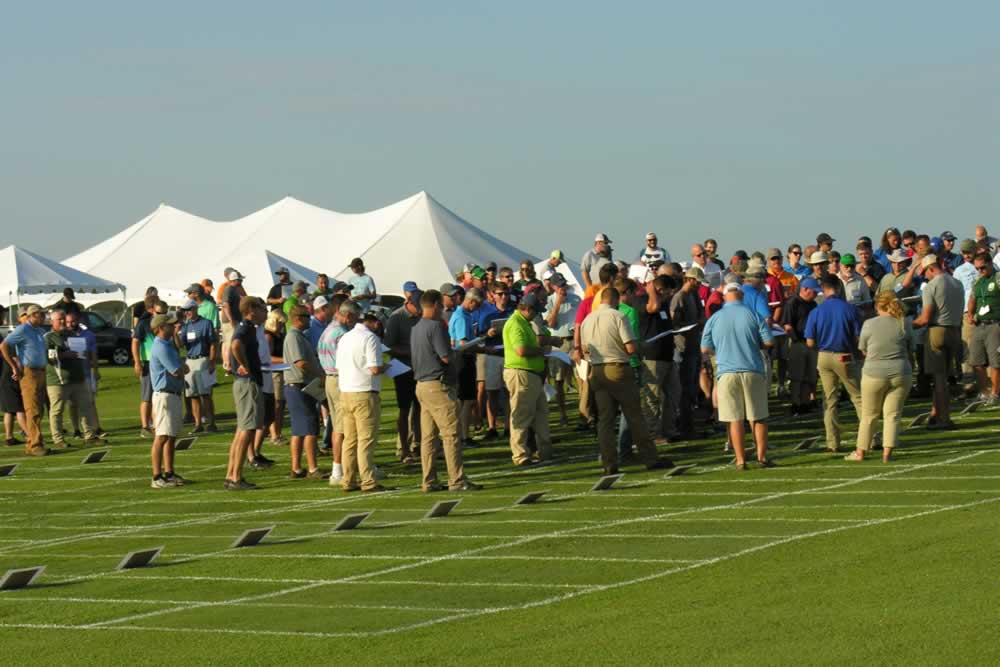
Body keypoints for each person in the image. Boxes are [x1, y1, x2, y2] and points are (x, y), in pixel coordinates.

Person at [581, 287, 672, 474]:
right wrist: (642, 346)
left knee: (605, 420)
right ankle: (650, 458)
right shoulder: (618, 316)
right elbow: (630, 348)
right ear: (615, 300)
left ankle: (609, 463)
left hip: (597, 370)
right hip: (619, 368)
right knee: (634, 415)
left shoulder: (587, 319)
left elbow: (584, 349)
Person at [410, 289, 482, 492]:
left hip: (422, 385)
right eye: (441, 306)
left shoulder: (416, 328)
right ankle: (457, 480)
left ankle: (429, 480)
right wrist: (454, 354)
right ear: (434, 305)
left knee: (428, 437)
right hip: (438, 385)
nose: (443, 309)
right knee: (451, 434)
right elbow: (445, 357)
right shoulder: (436, 326)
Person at [701, 281, 776, 469]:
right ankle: (761, 457)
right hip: (752, 370)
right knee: (758, 416)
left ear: (725, 296)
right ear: (741, 295)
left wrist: (721, 352)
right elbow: (769, 341)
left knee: (734, 419)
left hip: (726, 372)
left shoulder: (715, 318)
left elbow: (705, 348)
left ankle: (741, 460)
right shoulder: (753, 314)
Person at [845, 292, 913, 462]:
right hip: (901, 372)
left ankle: (860, 452)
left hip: (874, 373)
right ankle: (887, 453)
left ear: (878, 306)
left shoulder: (869, 323)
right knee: (893, 414)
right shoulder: (904, 323)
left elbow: (862, 347)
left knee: (869, 414)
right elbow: (911, 346)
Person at [805, 274, 863, 452]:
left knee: (829, 401)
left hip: (823, 356)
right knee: (858, 398)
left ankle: (833, 443)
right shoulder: (850, 309)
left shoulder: (816, 311)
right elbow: (858, 337)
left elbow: (810, 341)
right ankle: (870, 438)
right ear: (838, 287)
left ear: (823, 289)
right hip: (843, 355)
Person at [503, 291, 561, 466]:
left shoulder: (524, 322)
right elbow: (520, 350)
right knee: (521, 415)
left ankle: (544, 451)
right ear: (527, 309)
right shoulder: (515, 323)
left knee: (541, 413)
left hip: (531, 374)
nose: (538, 314)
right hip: (521, 373)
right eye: (536, 310)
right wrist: (543, 350)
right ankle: (520, 455)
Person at [337, 300, 389, 492]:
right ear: (375, 322)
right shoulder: (370, 338)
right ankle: (368, 480)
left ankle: (348, 480)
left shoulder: (345, 337)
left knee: (350, 440)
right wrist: (386, 367)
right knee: (365, 440)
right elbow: (374, 368)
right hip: (364, 392)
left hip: (346, 392)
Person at [910, 255, 964, 428]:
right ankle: (935, 414)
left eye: (925, 272)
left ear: (931, 268)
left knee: (939, 380)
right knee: (944, 377)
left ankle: (944, 419)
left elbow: (925, 318)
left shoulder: (931, 287)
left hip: (937, 331)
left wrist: (907, 323)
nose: (925, 276)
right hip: (955, 331)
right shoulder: (957, 283)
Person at [41, 309, 98, 448]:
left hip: (78, 377)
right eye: (59, 319)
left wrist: (82, 352)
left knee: (86, 406)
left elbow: (80, 351)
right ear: (51, 321)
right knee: (57, 411)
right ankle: (58, 439)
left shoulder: (72, 334)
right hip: (58, 380)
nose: (62, 322)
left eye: (63, 319)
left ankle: (89, 436)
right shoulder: (48, 337)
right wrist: (65, 354)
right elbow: (48, 356)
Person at [226, 296, 267, 491]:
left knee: (241, 430)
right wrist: (244, 365)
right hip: (247, 383)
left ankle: (231, 474)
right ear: (251, 309)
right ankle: (236, 477)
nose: (265, 312)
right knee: (247, 430)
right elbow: (235, 346)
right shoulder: (246, 328)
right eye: (262, 308)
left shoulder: (248, 327)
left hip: (244, 383)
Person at [282, 304, 325, 479]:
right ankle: (312, 468)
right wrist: (320, 375)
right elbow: (300, 362)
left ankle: (297, 468)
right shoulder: (294, 337)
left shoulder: (298, 336)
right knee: (309, 428)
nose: (310, 319)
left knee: (299, 430)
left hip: (297, 387)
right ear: (299, 318)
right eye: (307, 316)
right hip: (299, 386)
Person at [0, 306, 48, 456]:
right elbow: (4, 346)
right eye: (41, 315)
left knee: (39, 409)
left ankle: (32, 443)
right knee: (32, 409)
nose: (44, 318)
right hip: (29, 373)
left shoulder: (40, 331)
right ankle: (35, 444)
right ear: (33, 315)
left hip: (41, 371)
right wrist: (14, 366)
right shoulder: (22, 330)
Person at [147, 312, 188, 488]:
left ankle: (169, 472)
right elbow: (178, 370)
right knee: (162, 436)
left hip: (173, 393)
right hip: (165, 394)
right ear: (161, 328)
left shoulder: (167, 344)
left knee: (171, 436)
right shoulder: (161, 346)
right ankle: (157, 476)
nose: (174, 327)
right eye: (170, 325)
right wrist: (183, 368)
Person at [384, 290, 424, 461]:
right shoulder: (396, 318)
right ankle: (403, 448)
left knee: (420, 408)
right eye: (418, 306)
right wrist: (410, 353)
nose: (421, 310)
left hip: (420, 368)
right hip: (402, 369)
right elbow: (387, 346)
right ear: (409, 302)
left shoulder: (422, 316)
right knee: (404, 409)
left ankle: (418, 444)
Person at [671, 266, 706, 438]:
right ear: (690, 280)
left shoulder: (693, 295)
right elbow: (674, 324)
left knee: (691, 388)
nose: (699, 285)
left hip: (693, 345)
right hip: (683, 347)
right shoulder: (679, 297)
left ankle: (689, 424)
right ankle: (684, 426)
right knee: (685, 388)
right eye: (697, 282)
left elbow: (701, 313)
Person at [317, 294, 349, 484]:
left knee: (338, 425)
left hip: (330, 378)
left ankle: (339, 468)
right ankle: (339, 468)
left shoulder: (328, 329)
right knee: (343, 426)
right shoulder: (341, 332)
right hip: (339, 379)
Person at [543, 272, 580, 426]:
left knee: (581, 379)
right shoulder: (548, 301)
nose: (562, 288)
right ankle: (563, 414)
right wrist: (558, 302)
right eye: (559, 285)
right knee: (559, 380)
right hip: (558, 343)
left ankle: (584, 413)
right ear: (552, 286)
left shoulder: (576, 299)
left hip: (574, 341)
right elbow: (550, 323)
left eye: (563, 284)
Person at [176, 299, 217, 434]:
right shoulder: (186, 326)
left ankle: (211, 423)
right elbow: (181, 345)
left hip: (203, 360)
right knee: (192, 395)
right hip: (190, 361)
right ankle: (198, 423)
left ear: (195, 309)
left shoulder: (206, 323)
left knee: (205, 394)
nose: (187, 313)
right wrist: (175, 333)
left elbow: (213, 343)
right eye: (185, 310)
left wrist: (211, 361)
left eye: (189, 310)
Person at [450, 288, 484, 445]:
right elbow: (463, 343)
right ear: (471, 302)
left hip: (461, 360)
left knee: (463, 400)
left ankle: (462, 434)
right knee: (467, 400)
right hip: (464, 360)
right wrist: (480, 341)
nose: (477, 309)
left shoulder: (460, 315)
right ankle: (464, 435)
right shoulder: (462, 317)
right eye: (477, 305)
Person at [781, 277, 820, 414]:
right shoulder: (792, 303)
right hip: (798, 343)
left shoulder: (813, 305)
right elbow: (787, 325)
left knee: (810, 376)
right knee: (797, 376)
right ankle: (795, 403)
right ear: (804, 289)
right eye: (813, 291)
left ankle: (805, 403)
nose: (815, 294)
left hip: (811, 343)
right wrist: (795, 340)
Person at [967, 252, 1000, 404]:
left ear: (990, 264)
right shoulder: (978, 281)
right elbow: (972, 299)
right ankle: (984, 392)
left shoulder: (998, 277)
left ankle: (995, 393)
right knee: (975, 359)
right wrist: (970, 313)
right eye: (977, 268)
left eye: (983, 267)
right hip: (980, 324)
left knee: (995, 361)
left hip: (995, 323)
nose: (980, 271)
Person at [953, 239, 980, 390]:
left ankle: (990, 384)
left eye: (969, 251)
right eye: (964, 252)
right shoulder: (959, 270)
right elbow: (957, 294)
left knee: (989, 349)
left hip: (986, 313)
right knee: (967, 349)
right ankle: (968, 384)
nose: (966, 254)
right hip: (965, 314)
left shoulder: (988, 266)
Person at [131, 295, 158, 437]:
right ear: (151, 307)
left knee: (157, 396)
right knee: (147, 396)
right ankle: (145, 426)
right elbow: (135, 342)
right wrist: (137, 362)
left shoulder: (161, 321)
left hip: (160, 364)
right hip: (148, 363)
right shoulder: (143, 322)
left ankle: (156, 425)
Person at [263, 309, 287, 446]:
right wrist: (285, 359)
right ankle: (274, 434)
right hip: (274, 373)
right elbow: (268, 358)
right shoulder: (269, 336)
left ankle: (278, 432)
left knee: (281, 404)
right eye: (280, 322)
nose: (282, 325)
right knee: (276, 404)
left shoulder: (279, 335)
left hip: (282, 371)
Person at [219, 269, 246, 372]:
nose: (241, 282)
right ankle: (230, 366)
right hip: (229, 322)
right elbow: (225, 305)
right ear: (235, 280)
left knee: (231, 343)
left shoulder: (233, 290)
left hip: (233, 321)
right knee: (230, 344)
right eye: (240, 280)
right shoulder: (228, 289)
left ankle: (231, 365)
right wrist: (231, 320)